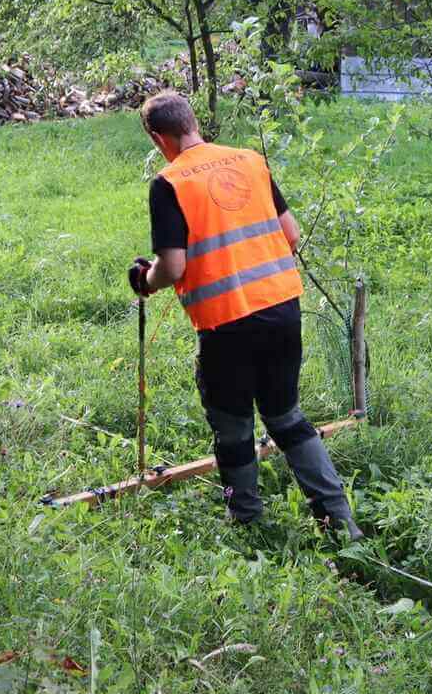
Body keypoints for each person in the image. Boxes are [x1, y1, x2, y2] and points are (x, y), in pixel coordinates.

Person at [128, 90, 361, 539]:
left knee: (234, 426)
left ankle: (249, 523)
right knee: (288, 417)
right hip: (281, 311)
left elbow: (172, 267)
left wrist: (145, 280)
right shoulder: (251, 160)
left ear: (159, 139)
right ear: (194, 122)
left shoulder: (169, 183)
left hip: (226, 324)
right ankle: (341, 525)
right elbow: (290, 236)